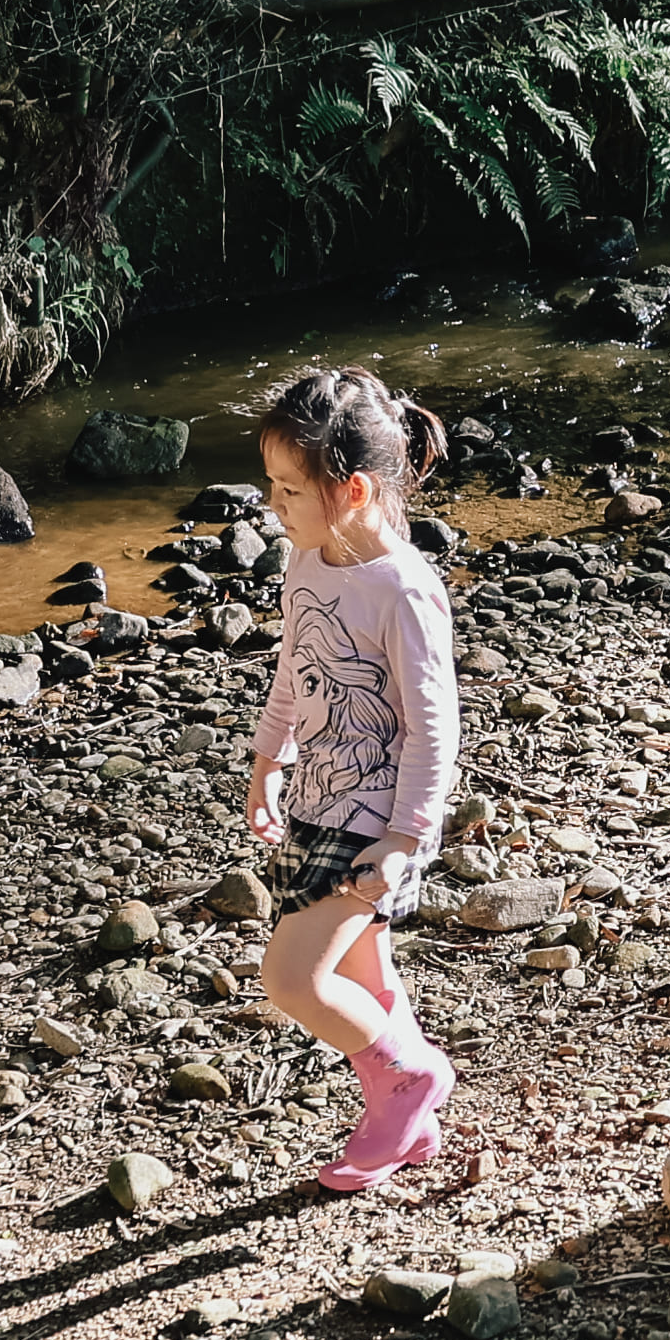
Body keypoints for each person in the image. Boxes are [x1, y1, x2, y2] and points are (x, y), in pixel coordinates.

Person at [240, 366, 468, 1194]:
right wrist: (271, 758)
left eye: (290, 488)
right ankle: (405, 1120)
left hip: (377, 816)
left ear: (356, 488)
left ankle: (409, 1079)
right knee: (368, 976)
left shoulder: (403, 590)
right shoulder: (310, 558)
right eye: (271, 484)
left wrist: (406, 840)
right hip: (318, 796)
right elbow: (293, 669)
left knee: (293, 978)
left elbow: (432, 726)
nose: (275, 504)